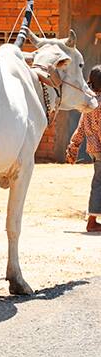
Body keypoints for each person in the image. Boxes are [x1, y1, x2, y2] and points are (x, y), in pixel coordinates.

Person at [66, 64, 101, 233]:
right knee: (99, 183)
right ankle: (92, 222)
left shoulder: (90, 103)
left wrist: (73, 148)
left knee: (98, 182)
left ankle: (93, 220)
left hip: (94, 149)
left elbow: (81, 128)